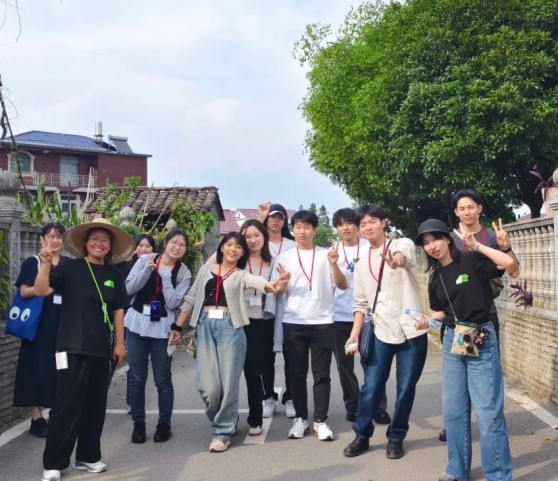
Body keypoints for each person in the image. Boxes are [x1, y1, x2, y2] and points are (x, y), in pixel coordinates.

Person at [170, 232, 288, 453]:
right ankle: (226, 418)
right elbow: (191, 298)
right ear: (222, 248)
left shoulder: (242, 275)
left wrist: (275, 285)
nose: (233, 249)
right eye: (229, 244)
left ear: (243, 253)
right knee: (207, 387)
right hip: (204, 325)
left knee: (228, 384)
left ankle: (222, 433)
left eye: (238, 247)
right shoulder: (206, 270)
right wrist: (178, 326)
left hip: (231, 328)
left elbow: (262, 284)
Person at [414, 218, 514, 481]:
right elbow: (441, 311)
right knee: (453, 412)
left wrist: (477, 246)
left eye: (436, 239)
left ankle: (498, 475)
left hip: (480, 337)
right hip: (452, 341)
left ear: (447, 239)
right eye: (426, 243)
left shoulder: (471, 261)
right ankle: (457, 470)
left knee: (488, 413)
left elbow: (507, 263)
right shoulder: (435, 277)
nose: (432, 246)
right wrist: (427, 319)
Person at [35, 218, 134, 481]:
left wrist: (120, 343)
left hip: (102, 350)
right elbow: (41, 290)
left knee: (95, 406)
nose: (99, 244)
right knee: (66, 406)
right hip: (71, 348)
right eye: (94, 239)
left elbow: (119, 311)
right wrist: (45, 263)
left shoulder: (114, 274)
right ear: (85, 243)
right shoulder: (70, 268)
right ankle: (54, 462)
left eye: (105, 240)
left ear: (110, 246)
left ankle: (87, 456)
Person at [343, 204, 428, 460]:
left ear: (384, 222)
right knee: (371, 387)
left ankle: (396, 437)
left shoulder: (401, 244)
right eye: (363, 225)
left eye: (372, 222)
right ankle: (362, 435)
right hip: (381, 330)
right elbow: (360, 305)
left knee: (406, 388)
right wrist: (355, 334)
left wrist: (395, 261)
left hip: (412, 330)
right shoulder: (361, 265)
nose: (368, 227)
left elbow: (404, 256)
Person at [436, 189, 520, 443]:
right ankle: (457, 425)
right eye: (461, 209)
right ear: (455, 212)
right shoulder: (449, 239)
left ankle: (490, 425)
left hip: (484, 315)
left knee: (484, 375)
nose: (466, 212)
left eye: (471, 207)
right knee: (458, 378)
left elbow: (514, 272)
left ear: (480, 208)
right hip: (456, 319)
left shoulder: (492, 237)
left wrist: (506, 247)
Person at [272, 210, 347, 441]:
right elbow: (278, 292)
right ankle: (301, 418)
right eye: (298, 227)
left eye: (306, 227)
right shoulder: (284, 257)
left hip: (323, 322)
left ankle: (320, 421)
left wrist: (334, 265)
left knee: (322, 374)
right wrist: (282, 283)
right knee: (296, 373)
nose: (302, 231)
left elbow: (342, 285)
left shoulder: (327, 255)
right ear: (292, 230)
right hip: (293, 322)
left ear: (315, 230)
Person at [125, 229, 192, 444]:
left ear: (185, 249)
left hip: (162, 329)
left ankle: (164, 424)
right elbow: (129, 289)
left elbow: (173, 303)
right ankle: (138, 424)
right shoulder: (144, 259)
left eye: (182, 245)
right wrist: (146, 270)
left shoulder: (184, 273)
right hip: (136, 324)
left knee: (162, 378)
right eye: (174, 242)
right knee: (137, 378)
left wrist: (164, 275)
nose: (177, 247)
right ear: (165, 243)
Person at [330, 208, 390, 425]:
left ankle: (378, 407)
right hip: (339, 316)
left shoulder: (368, 247)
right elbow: (341, 285)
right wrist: (334, 263)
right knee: (344, 366)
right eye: (340, 224)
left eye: (349, 223)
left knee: (372, 364)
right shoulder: (333, 250)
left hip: (368, 317)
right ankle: (353, 406)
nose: (345, 228)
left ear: (357, 225)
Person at [13, 222, 66, 438]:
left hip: (62, 327)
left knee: (61, 368)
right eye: (50, 236)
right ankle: (37, 418)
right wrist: (45, 289)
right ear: (42, 239)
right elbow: (24, 292)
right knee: (33, 369)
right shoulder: (33, 262)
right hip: (38, 327)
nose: (55, 240)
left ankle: (58, 411)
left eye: (59, 236)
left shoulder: (68, 264)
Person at [258, 202, 296, 418]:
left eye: (280, 217)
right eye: (272, 216)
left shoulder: (292, 245)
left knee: (291, 354)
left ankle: (290, 397)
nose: (276, 220)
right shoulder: (259, 243)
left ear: (285, 221)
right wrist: (259, 219)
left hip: (289, 304)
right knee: (265, 355)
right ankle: (268, 397)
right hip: (263, 304)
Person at [238, 219, 275, 436]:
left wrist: (281, 285)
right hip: (238, 320)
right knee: (231, 372)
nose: (252, 240)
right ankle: (229, 418)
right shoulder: (237, 260)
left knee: (254, 371)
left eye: (256, 235)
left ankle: (255, 419)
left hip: (262, 322)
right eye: (247, 236)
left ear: (264, 236)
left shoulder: (273, 261)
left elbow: (278, 289)